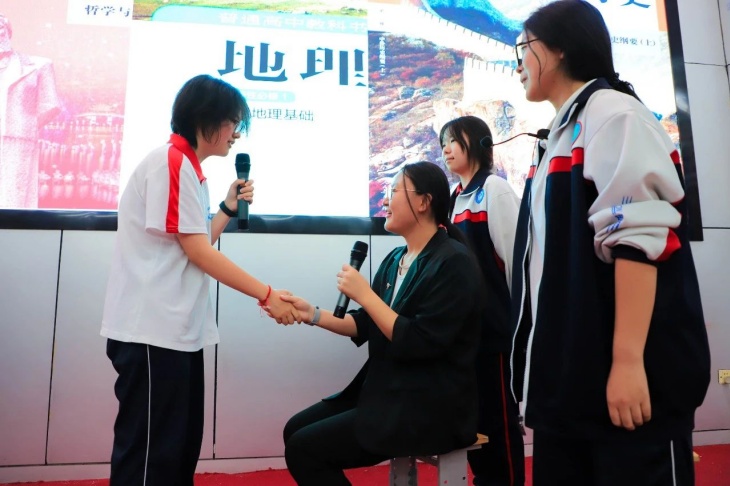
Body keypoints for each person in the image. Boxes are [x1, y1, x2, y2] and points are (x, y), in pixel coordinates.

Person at [509, 2, 711, 485]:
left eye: (523, 49)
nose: (517, 65)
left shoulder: (614, 114)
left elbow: (638, 240)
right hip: (573, 391)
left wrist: (627, 361)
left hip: (621, 390)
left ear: (559, 48)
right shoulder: (559, 135)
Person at [100, 74, 299, 486]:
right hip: (152, 333)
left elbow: (193, 242)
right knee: (150, 458)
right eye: (233, 122)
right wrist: (266, 294)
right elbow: (198, 251)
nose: (236, 134)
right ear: (206, 119)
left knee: (177, 451)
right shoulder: (171, 162)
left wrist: (226, 207)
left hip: (175, 334)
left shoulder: (189, 169)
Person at [279, 161, 484, 485]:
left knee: (304, 449)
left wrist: (365, 295)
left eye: (393, 191)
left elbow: (419, 340)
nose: (384, 200)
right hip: (389, 390)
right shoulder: (394, 259)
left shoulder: (453, 262)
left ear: (423, 201)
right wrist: (312, 314)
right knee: (294, 430)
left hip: (429, 405)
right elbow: (367, 323)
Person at [440, 115, 524, 486]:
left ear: (477, 143)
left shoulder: (494, 190)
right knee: (473, 422)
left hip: (493, 332)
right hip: (462, 335)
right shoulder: (452, 199)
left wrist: (517, 325)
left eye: (453, 140)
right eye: (443, 142)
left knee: (498, 421)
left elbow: (516, 264)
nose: (446, 149)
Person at [0, 12, 61, 208]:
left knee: (13, 199)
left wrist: (25, 125)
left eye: (1, 28)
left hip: (17, 139)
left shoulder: (39, 65)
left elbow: (51, 104)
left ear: (8, 32)